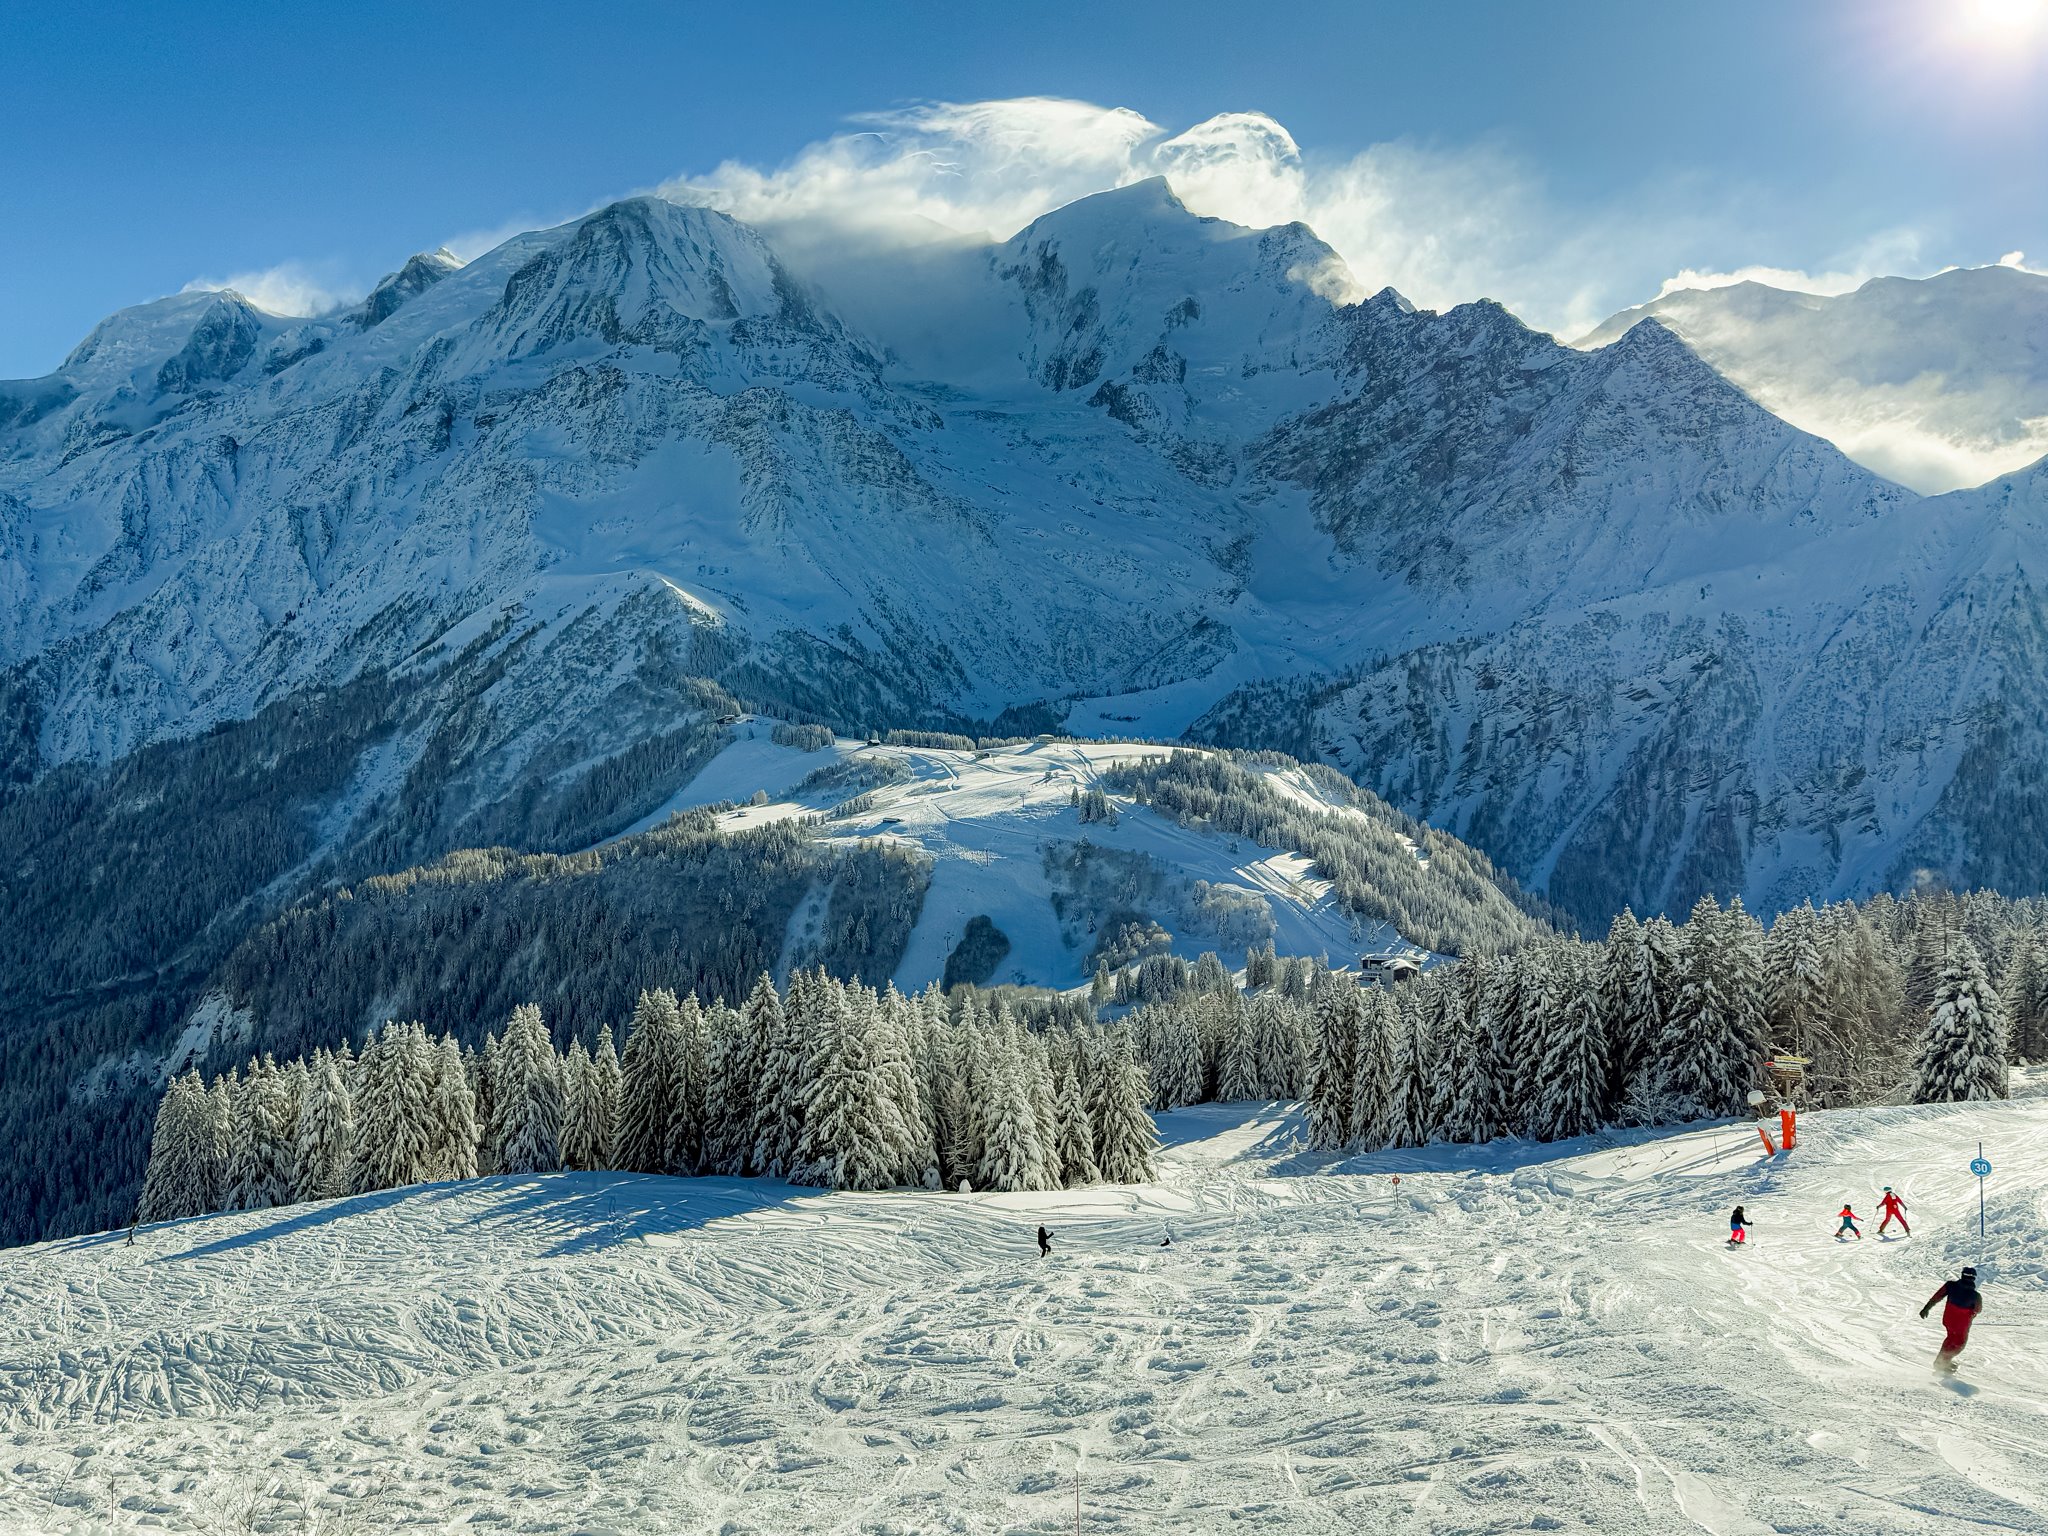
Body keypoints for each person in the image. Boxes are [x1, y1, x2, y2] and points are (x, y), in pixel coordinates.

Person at [1920, 1266, 1983, 1371]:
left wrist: (1926, 1308)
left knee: (1950, 1338)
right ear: (1974, 1279)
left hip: (1948, 1320)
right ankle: (1943, 1362)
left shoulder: (1951, 1285)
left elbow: (1937, 1296)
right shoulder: (1976, 1296)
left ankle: (1942, 1362)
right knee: (1960, 1344)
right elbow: (1978, 1309)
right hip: (1961, 1324)